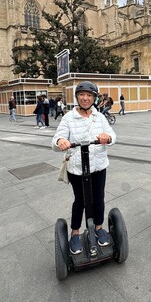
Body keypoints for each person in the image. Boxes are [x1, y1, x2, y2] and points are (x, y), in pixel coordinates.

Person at [52, 81, 116, 254]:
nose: (85, 98)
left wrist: (107, 138)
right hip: (77, 168)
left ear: (94, 98)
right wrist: (61, 141)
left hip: (98, 166)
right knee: (80, 200)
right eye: (82, 95)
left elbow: (112, 134)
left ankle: (98, 228)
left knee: (98, 198)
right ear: (77, 97)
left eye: (89, 95)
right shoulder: (68, 117)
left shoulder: (100, 116)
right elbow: (56, 138)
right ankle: (75, 233)